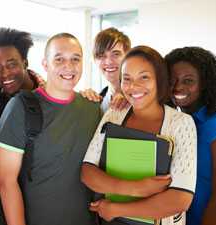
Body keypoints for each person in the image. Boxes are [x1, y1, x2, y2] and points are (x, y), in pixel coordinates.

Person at [81, 45, 197, 225]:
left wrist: (115, 209)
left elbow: (180, 199)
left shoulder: (181, 123)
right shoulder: (114, 114)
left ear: (159, 79)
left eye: (144, 77)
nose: (133, 86)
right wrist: (137, 188)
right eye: (127, 79)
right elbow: (88, 172)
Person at [0, 33, 101, 225]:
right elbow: (6, 181)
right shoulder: (20, 107)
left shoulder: (93, 108)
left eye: (75, 59)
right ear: (45, 64)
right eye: (59, 59)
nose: (68, 66)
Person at [165, 47, 216, 225]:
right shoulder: (173, 123)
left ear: (205, 84)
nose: (178, 86)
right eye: (172, 80)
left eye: (188, 81)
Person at [81, 27, 131, 112]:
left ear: (128, 56)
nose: (108, 62)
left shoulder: (142, 98)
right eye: (101, 56)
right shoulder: (99, 102)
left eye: (115, 54)